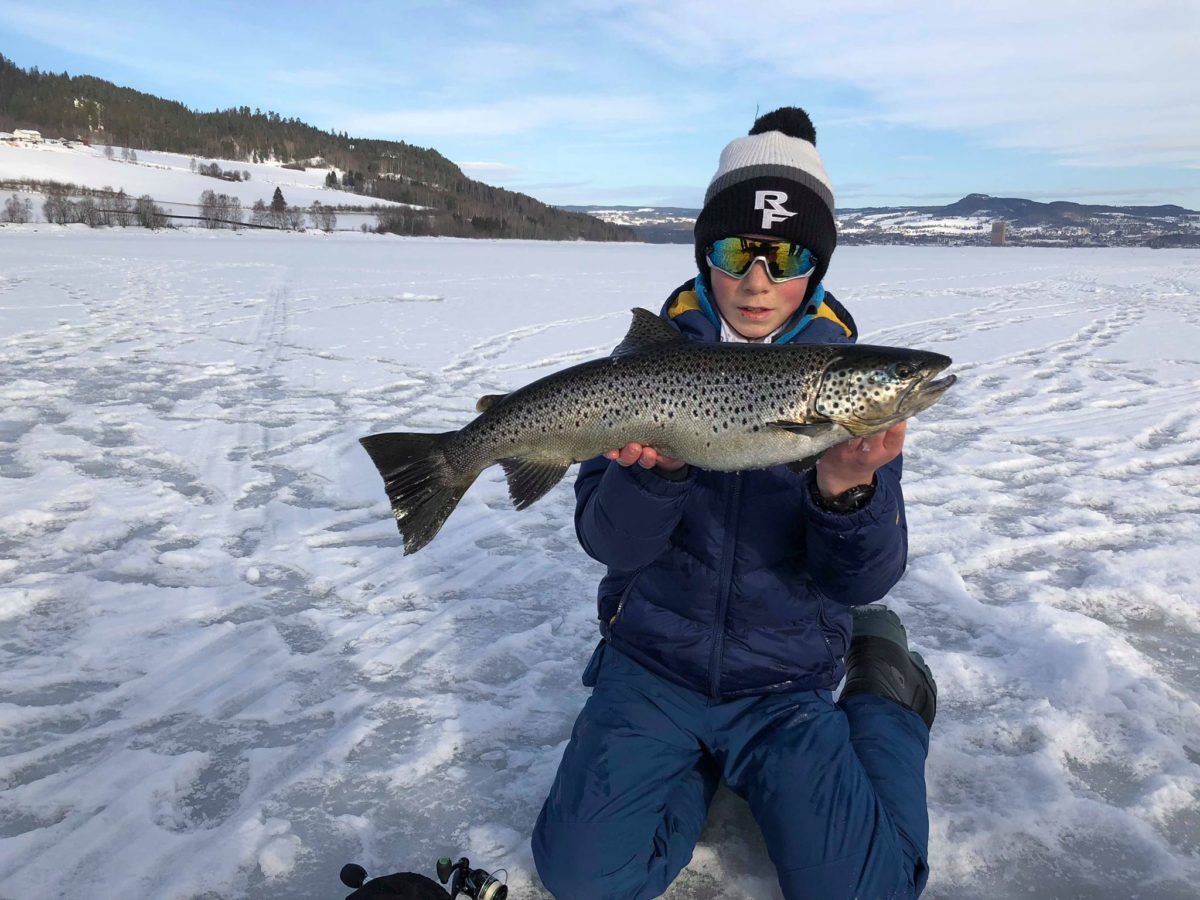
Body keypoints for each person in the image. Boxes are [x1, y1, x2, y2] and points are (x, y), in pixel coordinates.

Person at [531, 107, 938, 900]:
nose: (757, 280)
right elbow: (609, 544)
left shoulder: (845, 395)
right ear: (704, 255)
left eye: (784, 257)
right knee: (583, 880)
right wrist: (652, 476)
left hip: (784, 685)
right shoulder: (639, 368)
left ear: (813, 269)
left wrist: (846, 491)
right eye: (735, 251)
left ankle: (884, 689)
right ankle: (692, 771)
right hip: (651, 667)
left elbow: (862, 582)